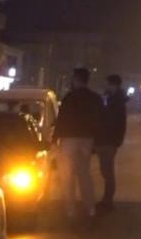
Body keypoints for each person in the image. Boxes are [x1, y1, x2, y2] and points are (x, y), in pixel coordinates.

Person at [51, 67, 103, 223]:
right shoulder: (95, 98)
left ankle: (70, 210)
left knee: (67, 175)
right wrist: (96, 142)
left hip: (69, 139)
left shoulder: (70, 97)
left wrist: (55, 139)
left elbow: (62, 119)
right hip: (87, 140)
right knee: (84, 174)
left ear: (76, 79)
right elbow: (99, 120)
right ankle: (91, 208)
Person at [95, 74, 127, 213]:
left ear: (114, 85)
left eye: (107, 84)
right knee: (105, 170)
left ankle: (108, 201)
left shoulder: (117, 101)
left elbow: (119, 122)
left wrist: (117, 140)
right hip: (104, 140)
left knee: (107, 172)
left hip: (109, 141)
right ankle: (107, 199)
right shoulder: (110, 98)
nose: (105, 86)